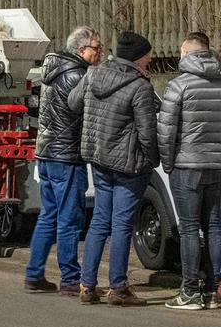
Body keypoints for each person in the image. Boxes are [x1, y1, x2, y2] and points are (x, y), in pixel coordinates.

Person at [68, 31, 159, 307]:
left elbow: (73, 103)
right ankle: (118, 287)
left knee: (99, 221)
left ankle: (87, 285)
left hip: (99, 158)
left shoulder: (94, 74)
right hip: (128, 164)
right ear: (138, 58)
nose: (150, 59)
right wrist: (154, 160)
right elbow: (146, 132)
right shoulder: (139, 86)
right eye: (147, 55)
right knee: (121, 224)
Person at [159, 34, 221, 310]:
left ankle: (190, 291)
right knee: (215, 226)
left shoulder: (178, 85)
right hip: (215, 165)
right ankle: (212, 291)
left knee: (190, 228)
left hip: (186, 165)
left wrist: (168, 163)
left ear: (186, 54)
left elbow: (166, 131)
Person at [24, 26, 102, 295]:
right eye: (96, 48)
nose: (100, 53)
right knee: (70, 218)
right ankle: (70, 277)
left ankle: (34, 274)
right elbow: (83, 112)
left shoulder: (53, 70)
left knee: (49, 215)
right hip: (66, 156)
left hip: (46, 153)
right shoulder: (77, 75)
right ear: (81, 50)